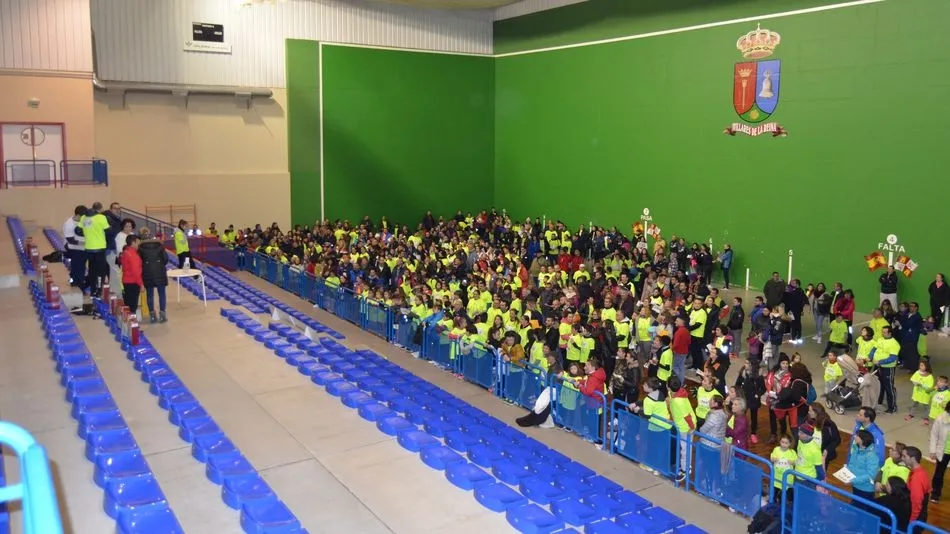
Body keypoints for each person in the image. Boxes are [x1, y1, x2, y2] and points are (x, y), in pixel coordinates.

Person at [77, 201, 111, 297]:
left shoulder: (84, 217)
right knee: (100, 272)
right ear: (100, 209)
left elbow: (78, 231)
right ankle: (98, 290)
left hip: (89, 248)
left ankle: (92, 290)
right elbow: (108, 231)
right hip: (100, 248)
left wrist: (88, 234)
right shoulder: (101, 217)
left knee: (92, 270)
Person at [138, 229, 168, 323]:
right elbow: (165, 259)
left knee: (150, 294)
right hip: (160, 271)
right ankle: (162, 314)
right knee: (161, 293)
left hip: (147, 272)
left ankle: (152, 315)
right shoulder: (159, 245)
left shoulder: (140, 248)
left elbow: (139, 262)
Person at [847, 429, 882, 507]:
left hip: (865, 489)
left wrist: (853, 480)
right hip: (855, 485)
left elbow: (870, 475)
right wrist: (846, 472)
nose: (854, 437)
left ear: (863, 439)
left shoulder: (872, 456)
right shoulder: (856, 449)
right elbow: (852, 464)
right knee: (856, 503)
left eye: (857, 436)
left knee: (864, 508)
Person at [735, 358, 765, 444]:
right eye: (745, 363)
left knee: (754, 417)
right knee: (741, 416)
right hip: (743, 399)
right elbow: (737, 385)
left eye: (748, 363)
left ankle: (753, 433)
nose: (745, 365)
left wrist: (757, 395)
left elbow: (763, 388)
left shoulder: (758, 376)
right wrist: (738, 394)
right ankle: (740, 432)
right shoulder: (742, 374)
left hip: (753, 400)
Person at [873, 325, 900, 413]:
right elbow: (874, 349)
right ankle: (879, 402)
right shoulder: (880, 339)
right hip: (878, 367)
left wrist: (880, 362)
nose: (882, 333)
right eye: (882, 332)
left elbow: (892, 358)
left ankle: (892, 407)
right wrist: (870, 357)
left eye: (884, 332)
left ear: (890, 333)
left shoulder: (894, 344)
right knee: (879, 385)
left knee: (889, 387)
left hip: (888, 368)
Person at [903, 446, 931, 523]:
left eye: (904, 456)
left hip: (916, 518)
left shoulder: (916, 478)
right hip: (920, 514)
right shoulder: (920, 471)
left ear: (912, 459)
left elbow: (917, 502)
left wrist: (912, 521)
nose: (902, 458)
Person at [929, 400, 950, 503]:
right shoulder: (941, 418)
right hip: (944, 451)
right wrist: (933, 450)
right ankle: (935, 493)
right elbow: (934, 435)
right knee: (939, 473)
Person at [809, 403, 840, 470]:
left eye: (811, 411)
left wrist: (826, 450)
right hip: (810, 453)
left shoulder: (829, 424)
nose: (809, 412)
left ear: (817, 412)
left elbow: (837, 440)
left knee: (820, 473)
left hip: (823, 456)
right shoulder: (809, 420)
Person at [63, 205, 87, 287]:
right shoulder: (69, 224)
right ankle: (77, 282)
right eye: (82, 217)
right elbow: (71, 240)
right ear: (77, 215)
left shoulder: (82, 221)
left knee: (82, 265)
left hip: (81, 247)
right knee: (78, 265)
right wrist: (85, 243)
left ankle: (80, 280)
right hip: (71, 247)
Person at [120, 235, 143, 318]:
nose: (139, 244)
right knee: (133, 306)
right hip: (133, 282)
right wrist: (141, 284)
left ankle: (127, 323)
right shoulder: (133, 254)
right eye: (138, 242)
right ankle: (132, 324)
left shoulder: (125, 252)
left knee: (128, 304)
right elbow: (136, 271)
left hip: (126, 281)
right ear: (133, 243)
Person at [770, 434, 798, 502]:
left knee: (783, 497)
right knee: (773, 494)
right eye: (782, 442)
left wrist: (791, 462)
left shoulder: (792, 452)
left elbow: (796, 462)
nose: (784, 444)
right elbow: (771, 458)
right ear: (780, 442)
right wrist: (774, 459)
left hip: (787, 479)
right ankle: (772, 505)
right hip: (776, 478)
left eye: (786, 443)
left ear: (790, 444)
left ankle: (781, 506)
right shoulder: (776, 449)